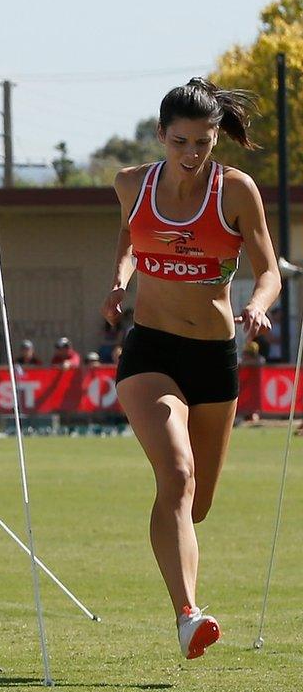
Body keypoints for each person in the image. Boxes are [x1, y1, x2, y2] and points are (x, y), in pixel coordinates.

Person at [103, 78, 278, 659]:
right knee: (176, 475)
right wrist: (119, 281)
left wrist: (257, 304)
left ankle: (174, 549)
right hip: (149, 351)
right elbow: (131, 237)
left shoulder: (235, 191)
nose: (192, 154)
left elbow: (269, 269)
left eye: (203, 143)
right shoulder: (132, 184)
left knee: (194, 504)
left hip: (214, 356)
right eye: (180, 142)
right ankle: (187, 615)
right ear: (161, 136)